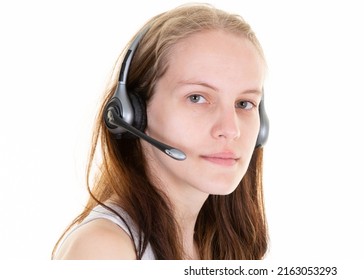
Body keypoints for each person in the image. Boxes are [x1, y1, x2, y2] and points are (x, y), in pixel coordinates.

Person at [52, 3, 269, 260]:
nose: (230, 130)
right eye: (197, 98)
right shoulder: (105, 249)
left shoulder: (221, 245)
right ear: (132, 113)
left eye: (244, 103)